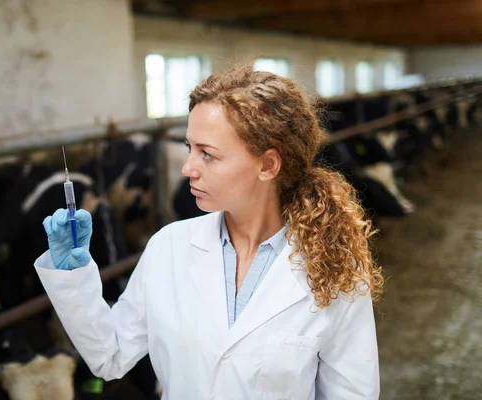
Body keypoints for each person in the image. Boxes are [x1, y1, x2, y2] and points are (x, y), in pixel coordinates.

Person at [34, 65, 384, 400]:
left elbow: (352, 393)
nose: (188, 168)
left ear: (267, 165)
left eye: (208, 155)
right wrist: (71, 275)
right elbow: (110, 357)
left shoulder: (336, 267)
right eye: (190, 148)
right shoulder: (167, 248)